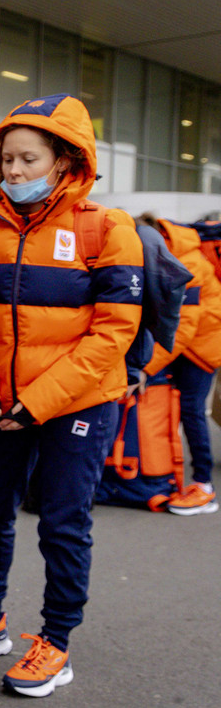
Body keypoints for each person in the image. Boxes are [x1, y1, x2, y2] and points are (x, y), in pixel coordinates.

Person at [0, 94, 144, 698]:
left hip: (77, 403)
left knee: (63, 522)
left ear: (64, 162)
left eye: (29, 160)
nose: (14, 173)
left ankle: (57, 641)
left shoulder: (106, 229)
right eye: (8, 160)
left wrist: (36, 403)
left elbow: (113, 334)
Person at [135, 213, 221, 515]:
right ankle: (175, 477)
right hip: (188, 345)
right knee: (178, 408)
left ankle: (204, 487)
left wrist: (146, 367)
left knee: (192, 410)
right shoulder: (171, 253)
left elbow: (183, 329)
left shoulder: (190, 262)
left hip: (203, 348)